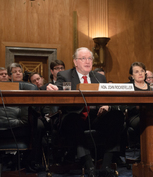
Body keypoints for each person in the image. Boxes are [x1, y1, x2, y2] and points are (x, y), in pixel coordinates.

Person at [46, 47, 124, 177]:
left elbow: (107, 96)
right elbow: (59, 88)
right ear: (75, 62)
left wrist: (107, 105)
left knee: (117, 116)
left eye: (89, 58)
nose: (87, 61)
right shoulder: (64, 75)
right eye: (83, 58)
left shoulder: (99, 77)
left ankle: (106, 164)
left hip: (95, 116)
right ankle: (89, 166)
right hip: (75, 117)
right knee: (73, 119)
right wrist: (52, 88)